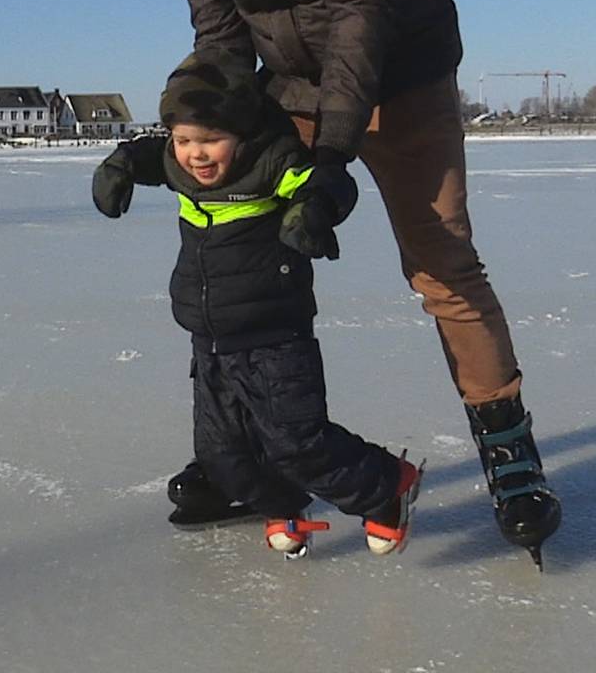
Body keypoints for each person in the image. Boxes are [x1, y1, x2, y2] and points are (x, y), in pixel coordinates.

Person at [104, 0, 561, 565]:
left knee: (441, 264)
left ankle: (510, 455)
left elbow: (360, 7)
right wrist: (167, 148)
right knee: (233, 239)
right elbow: (219, 41)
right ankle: (243, 454)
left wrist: (329, 159)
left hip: (402, 70)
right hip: (294, 86)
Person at [93, 52, 423, 558]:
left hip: (274, 337)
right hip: (210, 342)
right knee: (222, 455)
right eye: (184, 140)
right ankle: (284, 506)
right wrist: (120, 165)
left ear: (242, 133)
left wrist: (313, 210)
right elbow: (148, 154)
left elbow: (328, 183)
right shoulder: (177, 163)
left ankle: (386, 484)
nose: (196, 155)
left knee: (297, 444)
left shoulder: (272, 162)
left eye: (211, 140)